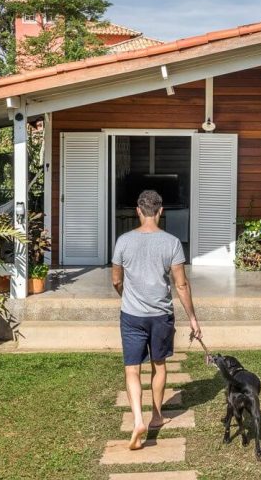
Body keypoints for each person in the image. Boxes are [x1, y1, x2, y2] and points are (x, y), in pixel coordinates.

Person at [111, 188, 202, 450]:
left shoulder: (123, 241)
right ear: (161, 211)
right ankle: (157, 416)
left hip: (131, 315)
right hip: (161, 315)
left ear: (138, 211)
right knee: (159, 365)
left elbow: (117, 280)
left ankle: (138, 418)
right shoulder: (171, 243)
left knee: (132, 368)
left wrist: (126, 295)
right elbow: (181, 286)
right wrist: (193, 319)